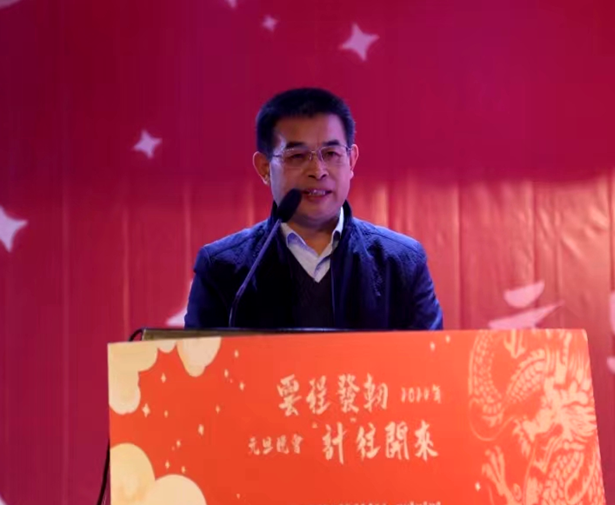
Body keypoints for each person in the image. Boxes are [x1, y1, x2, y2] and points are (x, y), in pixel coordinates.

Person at [184, 87, 443, 330]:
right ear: (264, 168)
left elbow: (431, 360)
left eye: (331, 154)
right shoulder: (221, 269)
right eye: (297, 156)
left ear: (351, 161)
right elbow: (198, 361)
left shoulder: (401, 264)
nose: (318, 171)